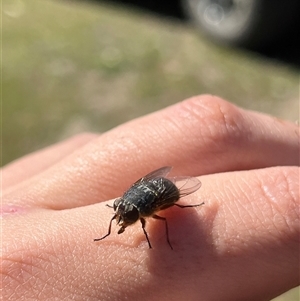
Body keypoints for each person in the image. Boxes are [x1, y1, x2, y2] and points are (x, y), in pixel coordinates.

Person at [2, 95, 299, 301]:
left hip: (165, 192)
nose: (121, 221)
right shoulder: (125, 207)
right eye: (121, 217)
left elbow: (164, 196)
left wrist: (177, 215)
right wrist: (115, 221)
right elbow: (135, 191)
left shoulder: (148, 215)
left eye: (122, 218)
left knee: (166, 217)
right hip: (145, 189)